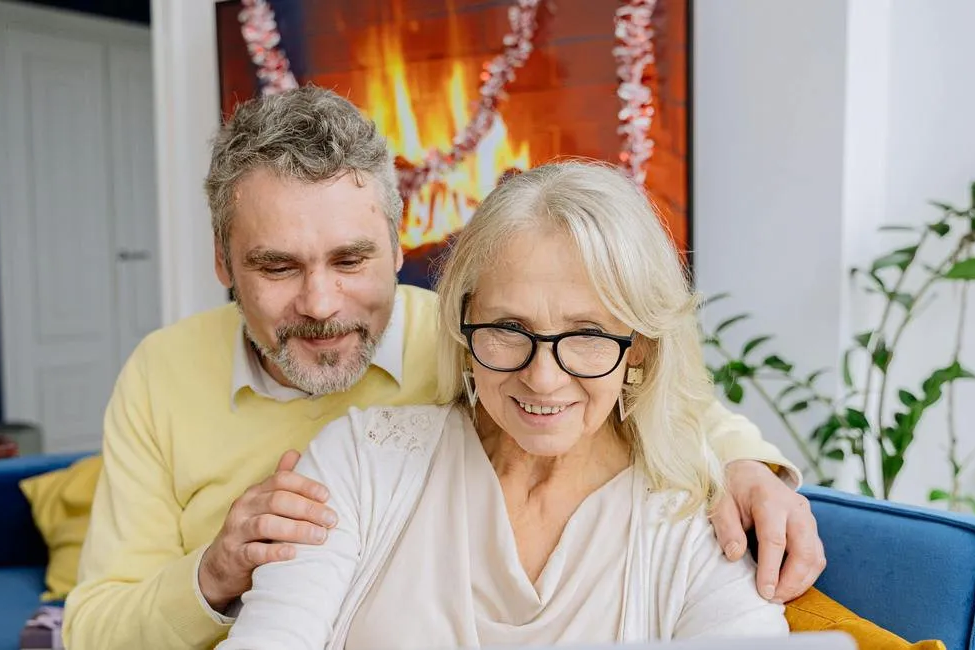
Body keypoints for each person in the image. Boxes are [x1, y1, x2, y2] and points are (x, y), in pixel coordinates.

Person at [62, 86, 824, 650]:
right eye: (277, 266)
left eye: (352, 258)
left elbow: (636, 384)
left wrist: (747, 464)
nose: (321, 301)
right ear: (224, 263)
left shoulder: (475, 332)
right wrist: (218, 572)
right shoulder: (162, 374)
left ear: (399, 251)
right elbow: (90, 627)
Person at [219, 160, 790, 649]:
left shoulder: (700, 524)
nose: (543, 378)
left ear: (637, 345)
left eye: (586, 333)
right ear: (465, 327)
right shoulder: (360, 462)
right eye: (509, 328)